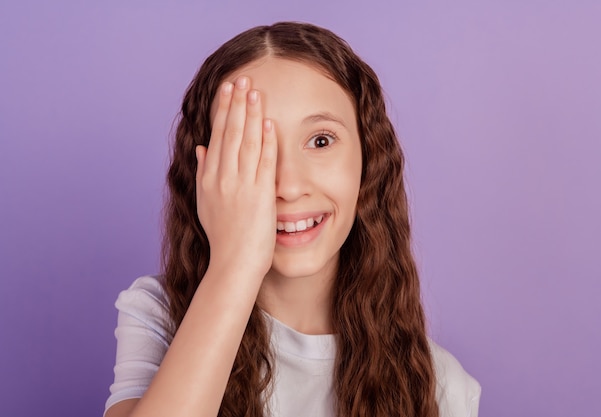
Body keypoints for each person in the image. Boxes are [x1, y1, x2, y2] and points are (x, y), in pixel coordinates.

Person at [104, 22, 481, 417]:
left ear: (369, 160)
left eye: (320, 141)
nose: (288, 185)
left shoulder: (442, 387)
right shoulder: (161, 315)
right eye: (252, 148)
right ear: (207, 174)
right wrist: (235, 264)